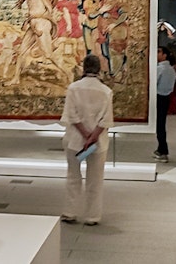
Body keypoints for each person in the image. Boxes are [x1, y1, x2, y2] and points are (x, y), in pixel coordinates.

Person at [59, 54, 114, 226]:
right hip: (98, 142)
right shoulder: (106, 91)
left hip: (75, 139)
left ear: (84, 68)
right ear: (99, 69)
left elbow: (71, 115)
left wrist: (84, 134)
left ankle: (70, 212)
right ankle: (92, 216)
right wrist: (92, 136)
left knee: (73, 176)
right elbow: (106, 119)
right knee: (95, 179)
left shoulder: (73, 88)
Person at [154, 45, 175, 162]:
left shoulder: (160, 69)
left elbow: (153, 84)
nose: (157, 54)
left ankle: (163, 150)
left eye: (159, 52)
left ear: (164, 55)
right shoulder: (171, 69)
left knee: (159, 125)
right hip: (166, 97)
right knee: (161, 124)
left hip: (159, 97)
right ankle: (160, 149)